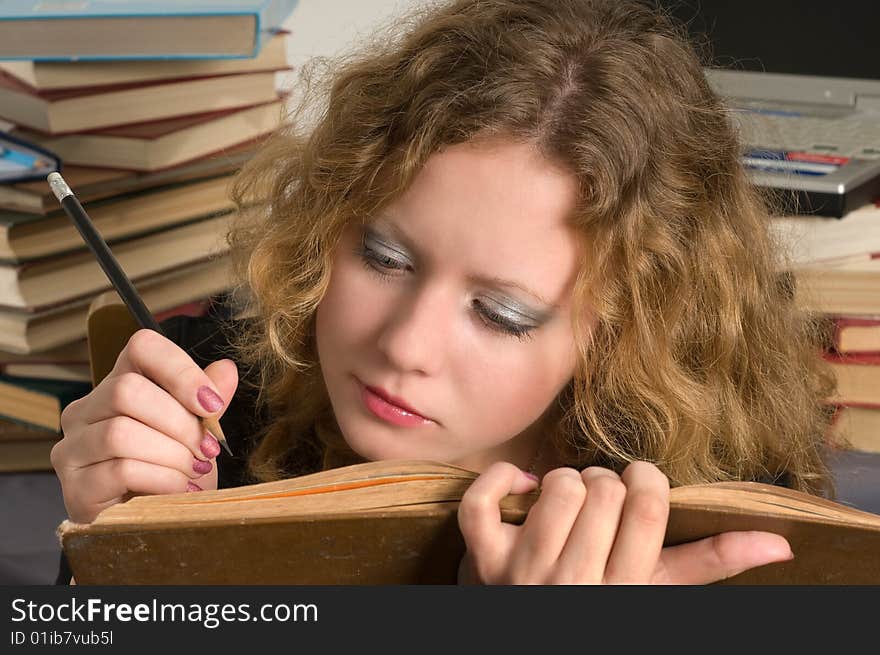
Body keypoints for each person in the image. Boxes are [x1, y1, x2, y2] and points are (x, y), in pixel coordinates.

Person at [51, 0, 835, 585]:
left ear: (625, 332)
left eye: (502, 313)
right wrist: (123, 558)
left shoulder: (707, 519)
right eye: (385, 256)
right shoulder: (212, 387)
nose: (403, 345)